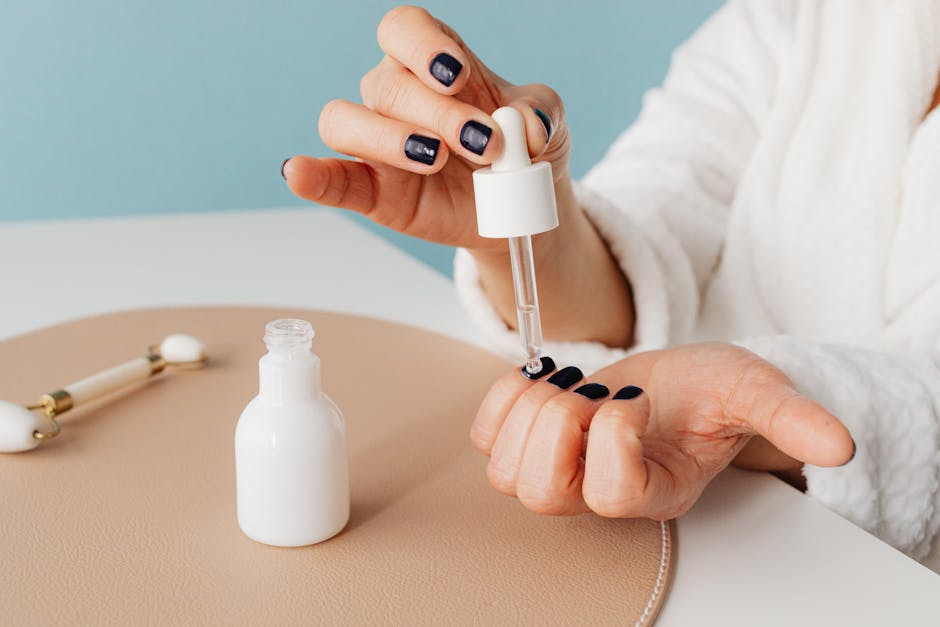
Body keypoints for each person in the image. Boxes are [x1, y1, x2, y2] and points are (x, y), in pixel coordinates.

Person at [282, 2, 940, 566]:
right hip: (707, 539)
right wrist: (525, 238)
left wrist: (761, 407)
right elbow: (667, 203)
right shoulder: (806, 17)